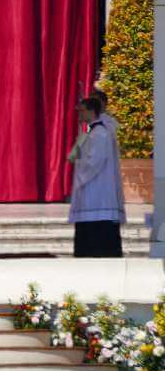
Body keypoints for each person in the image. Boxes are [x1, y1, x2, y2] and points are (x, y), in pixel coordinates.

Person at [68, 94, 126, 256]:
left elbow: (94, 162)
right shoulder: (93, 132)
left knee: (97, 228)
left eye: (82, 111)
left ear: (92, 111)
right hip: (93, 188)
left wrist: (79, 166)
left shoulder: (100, 133)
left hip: (97, 189)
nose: (79, 115)